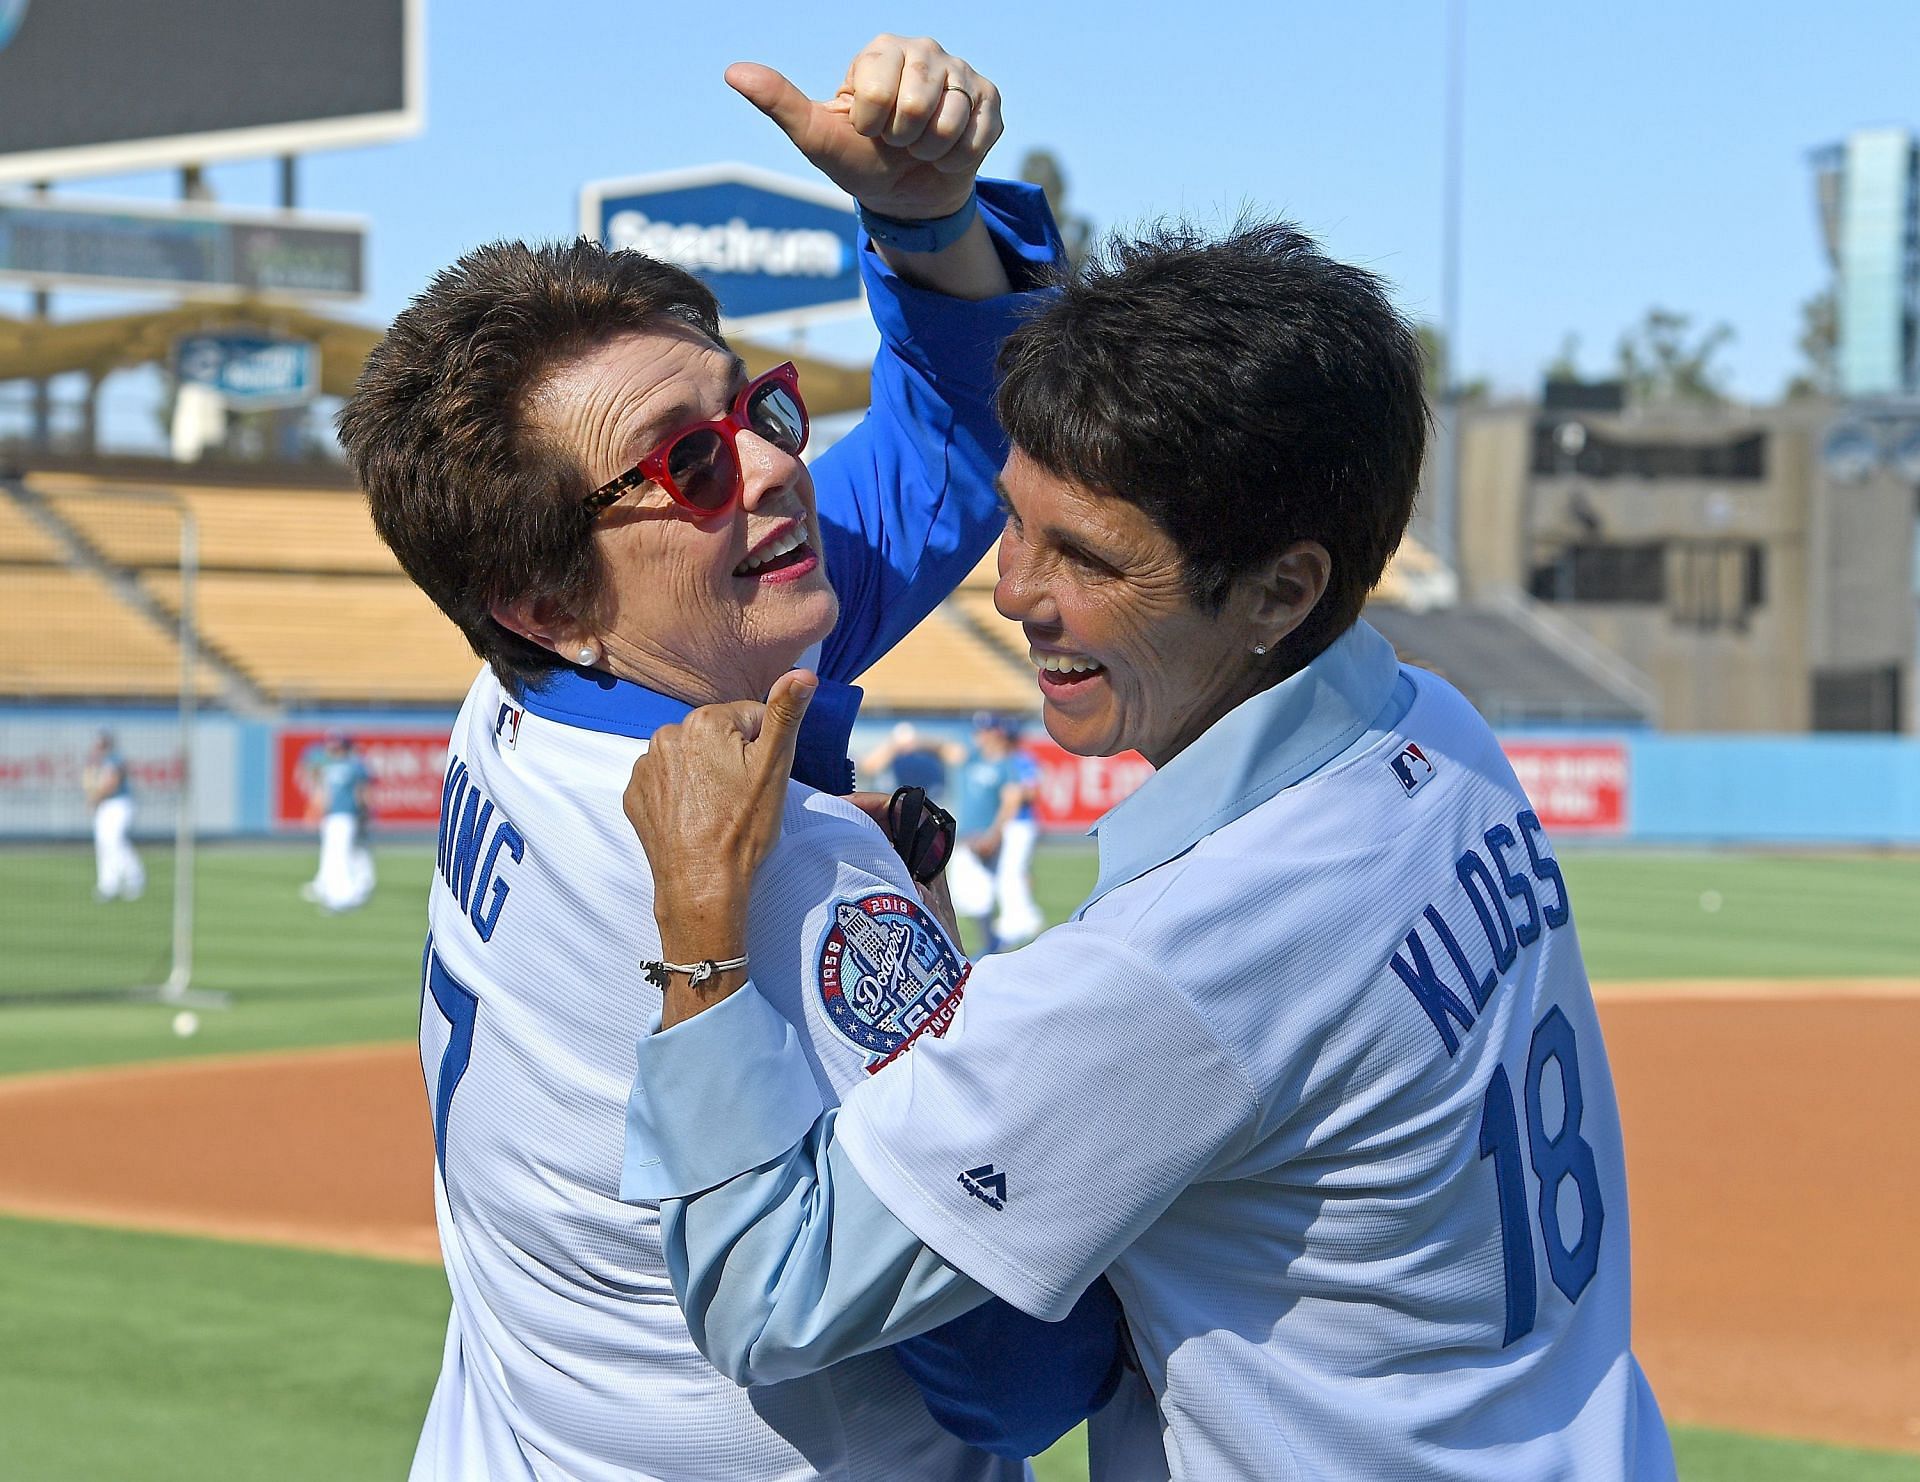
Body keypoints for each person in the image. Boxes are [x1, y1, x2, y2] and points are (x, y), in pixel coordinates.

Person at [620, 222, 1677, 1479]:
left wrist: (699, 940)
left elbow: (763, 1289)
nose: (1015, 590)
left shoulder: (1175, 964)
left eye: (1089, 558)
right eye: (1016, 524)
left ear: (1281, 592)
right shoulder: (1437, 730)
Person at [336, 34, 1120, 1482]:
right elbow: (1019, 1372)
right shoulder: (789, 876)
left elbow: (940, 454)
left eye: (755, 409)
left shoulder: (533, 695)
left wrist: (928, 221)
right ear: (544, 597)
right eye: (688, 464)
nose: (767, 467)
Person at [299, 731, 375, 912]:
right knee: (334, 854)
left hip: (347, 815)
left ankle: (344, 896)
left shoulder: (354, 766)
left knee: (341, 855)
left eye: (338, 746)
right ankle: (334, 890)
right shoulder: (329, 766)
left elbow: (362, 791)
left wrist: (364, 812)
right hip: (331, 815)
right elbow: (322, 792)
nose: (333, 749)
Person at [83, 729, 143, 902]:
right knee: (104, 843)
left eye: (101, 742)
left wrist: (94, 799)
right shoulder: (98, 762)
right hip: (105, 806)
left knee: (114, 841)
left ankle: (134, 877)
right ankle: (108, 884)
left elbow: (111, 783)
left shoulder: (114, 759)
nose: (98, 746)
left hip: (118, 804)